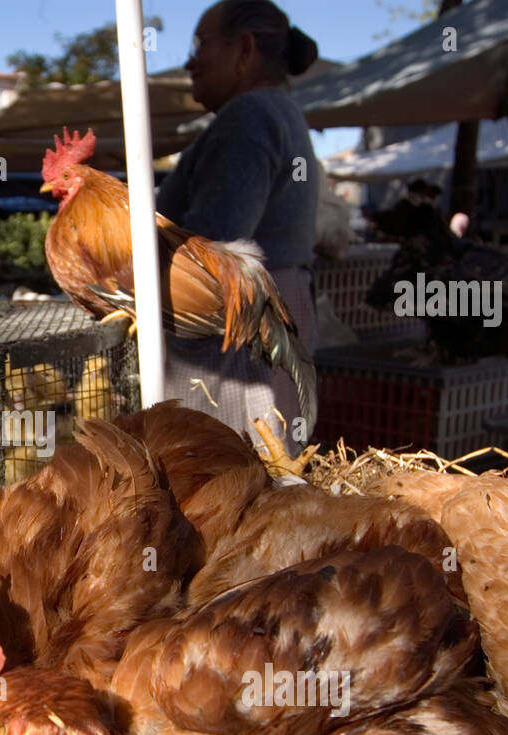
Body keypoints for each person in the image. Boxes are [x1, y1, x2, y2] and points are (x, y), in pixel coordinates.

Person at [156, 0, 320, 451]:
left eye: (200, 44)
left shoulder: (248, 117)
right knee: (265, 471)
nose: (189, 60)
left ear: (244, 50)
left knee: (227, 476)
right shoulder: (280, 112)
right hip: (262, 325)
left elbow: (211, 248)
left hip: (236, 340)